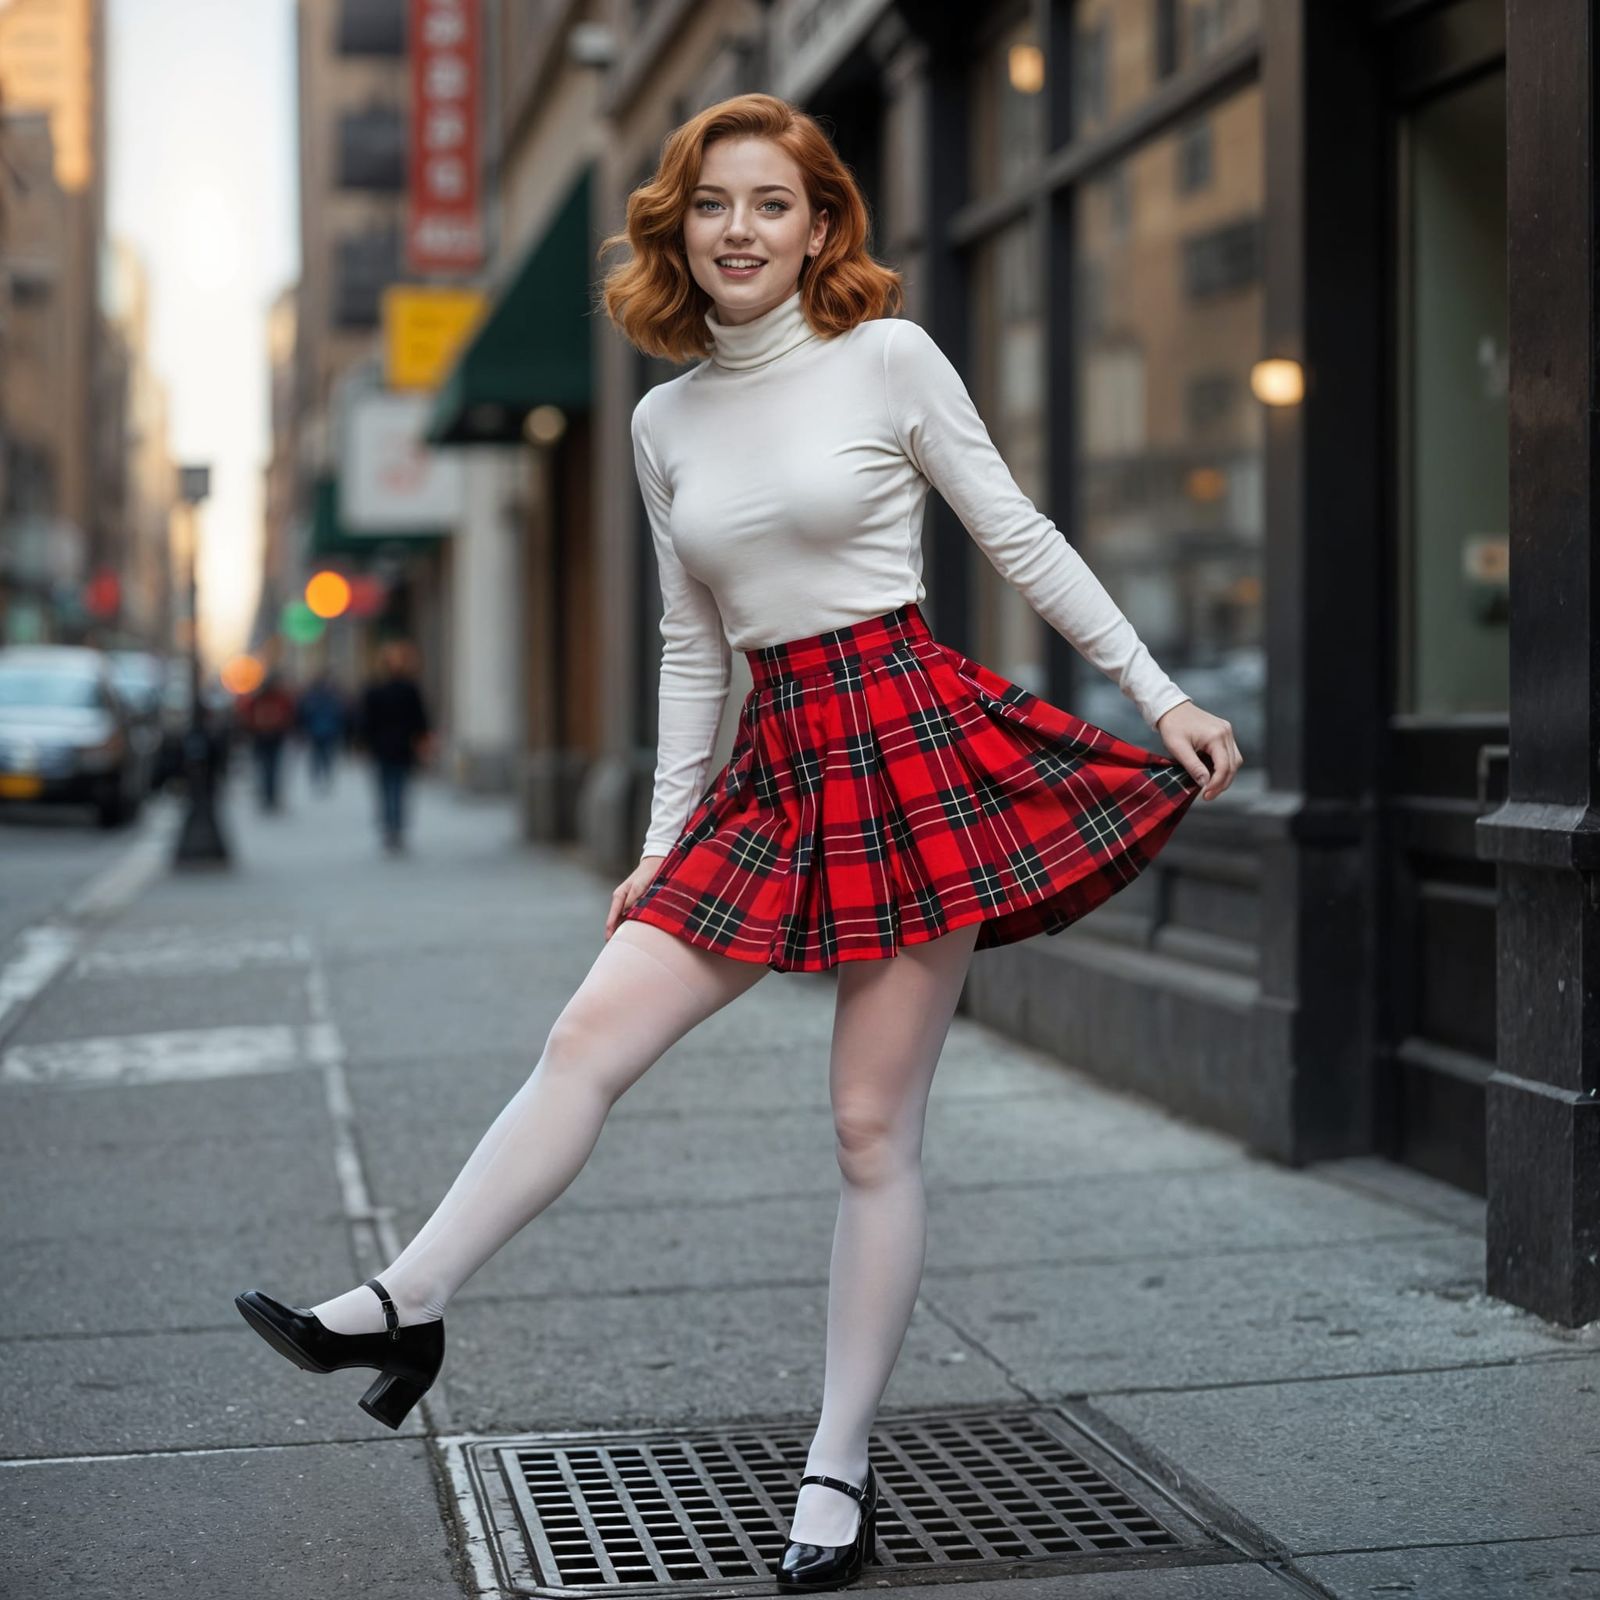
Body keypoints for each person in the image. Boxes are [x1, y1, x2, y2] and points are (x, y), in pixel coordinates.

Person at [237, 93, 1241, 1590]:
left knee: (866, 1127)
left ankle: (839, 1469)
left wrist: (1158, 695)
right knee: (590, 1031)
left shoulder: (889, 357)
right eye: (714, 204)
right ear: (678, 228)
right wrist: (659, 837)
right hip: (771, 768)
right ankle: (408, 1299)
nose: (741, 230)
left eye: (773, 203)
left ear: (822, 222)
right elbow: (690, 645)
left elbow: (1017, 532)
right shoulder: (661, 419)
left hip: (909, 743)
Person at [354, 640, 431, 853]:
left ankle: (392, 826)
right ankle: (394, 826)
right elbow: (420, 720)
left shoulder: (380, 689)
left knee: (390, 788)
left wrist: (363, 743)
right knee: (395, 788)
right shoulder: (405, 689)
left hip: (388, 747)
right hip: (396, 747)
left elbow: (366, 721)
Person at [238, 669, 296, 813]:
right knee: (272, 768)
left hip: (263, 737)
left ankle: (268, 795)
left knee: (265, 767)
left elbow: (247, 716)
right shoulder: (279, 698)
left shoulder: (259, 698)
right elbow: (289, 715)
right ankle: (270, 796)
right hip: (273, 737)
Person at [295, 671, 347, 793]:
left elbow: (305, 713)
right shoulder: (331, 697)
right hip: (325, 731)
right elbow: (339, 714)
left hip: (319, 731)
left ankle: (319, 779)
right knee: (324, 757)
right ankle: (324, 779)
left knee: (319, 757)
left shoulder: (313, 697)